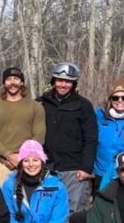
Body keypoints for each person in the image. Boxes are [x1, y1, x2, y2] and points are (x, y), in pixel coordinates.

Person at [37, 62, 97, 213]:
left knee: (73, 212)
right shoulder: (41, 103)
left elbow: (90, 138)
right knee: (46, 210)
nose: (63, 85)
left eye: (68, 81)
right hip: (47, 167)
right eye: (59, 80)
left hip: (74, 169)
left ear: (74, 83)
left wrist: (86, 167)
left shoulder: (83, 105)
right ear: (54, 81)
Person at [0, 67, 46, 185]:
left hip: (29, 161)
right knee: (1, 195)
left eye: (16, 79)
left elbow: (39, 135)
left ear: (22, 83)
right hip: (1, 162)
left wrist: (23, 156)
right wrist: (8, 155)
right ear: (4, 83)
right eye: (9, 79)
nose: (12, 82)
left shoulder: (36, 107)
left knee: (28, 195)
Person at [94, 78, 124, 190]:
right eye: (116, 97)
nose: (120, 100)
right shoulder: (99, 116)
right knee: (100, 200)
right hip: (100, 172)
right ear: (110, 100)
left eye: (123, 97)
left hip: (121, 174)